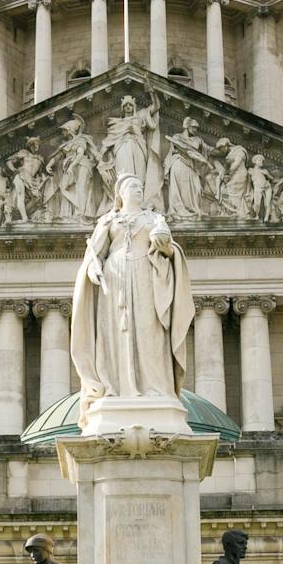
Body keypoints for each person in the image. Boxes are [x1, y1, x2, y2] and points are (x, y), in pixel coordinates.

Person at [70, 172, 192, 426]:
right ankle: (115, 387)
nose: (138, 189)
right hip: (115, 281)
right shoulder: (108, 220)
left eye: (140, 185)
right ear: (120, 193)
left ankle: (156, 389)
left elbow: (168, 249)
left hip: (147, 277)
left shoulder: (154, 218)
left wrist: (166, 247)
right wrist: (93, 269)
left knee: (150, 331)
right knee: (115, 335)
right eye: (133, 186)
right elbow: (95, 254)